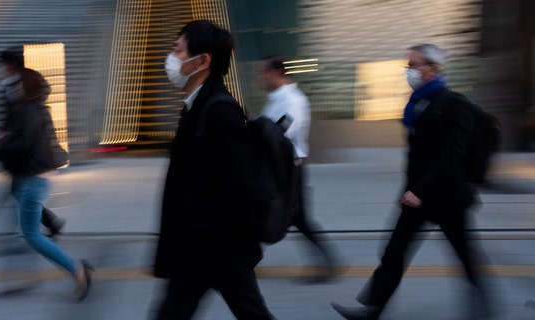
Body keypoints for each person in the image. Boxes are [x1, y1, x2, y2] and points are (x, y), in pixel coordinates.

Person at [331, 44, 493, 319]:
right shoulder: (418, 103)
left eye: (414, 65)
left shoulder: (454, 104)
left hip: (447, 196)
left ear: (433, 69)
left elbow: (451, 155)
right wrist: (411, 189)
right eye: (409, 65)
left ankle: (485, 304)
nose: (409, 71)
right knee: (394, 251)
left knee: (464, 253)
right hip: (418, 195)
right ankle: (373, 309)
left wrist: (420, 190)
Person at [151, 20, 273, 319]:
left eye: (178, 50)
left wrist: (208, 237)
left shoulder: (219, 111)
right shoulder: (199, 106)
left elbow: (240, 185)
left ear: (203, 60)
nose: (172, 57)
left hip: (213, 247)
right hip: (205, 246)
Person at [0, 67, 93, 301]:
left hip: (31, 179)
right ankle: (51, 222)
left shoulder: (27, 111)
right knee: (24, 208)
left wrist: (2, 143)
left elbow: (24, 145)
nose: (12, 87)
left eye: (16, 84)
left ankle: (77, 270)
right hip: (32, 178)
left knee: (31, 236)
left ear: (25, 86)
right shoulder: (37, 108)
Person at [259, 55, 341, 282]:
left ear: (278, 73)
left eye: (264, 73)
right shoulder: (276, 99)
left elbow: (281, 132)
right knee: (268, 211)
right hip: (278, 166)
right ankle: (246, 260)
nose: (261, 78)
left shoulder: (293, 100)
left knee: (297, 217)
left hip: (290, 168)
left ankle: (330, 263)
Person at [0, 47, 66, 239]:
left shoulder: (23, 85)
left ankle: (30, 231)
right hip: (20, 148)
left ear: (9, 65)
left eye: (0, 65)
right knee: (19, 192)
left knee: (20, 191)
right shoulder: (12, 86)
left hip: (25, 150)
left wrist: (5, 140)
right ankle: (47, 224)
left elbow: (20, 121)